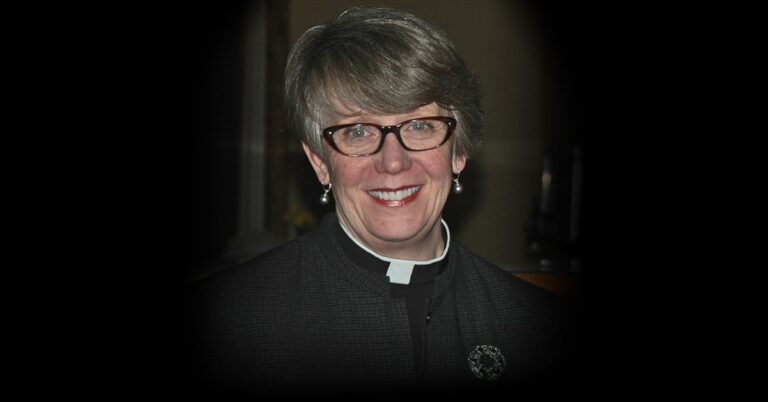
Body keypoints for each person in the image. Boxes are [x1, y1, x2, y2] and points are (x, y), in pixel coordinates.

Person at [184, 6, 581, 396]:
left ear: (459, 151)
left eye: (421, 125)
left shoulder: (538, 329)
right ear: (320, 162)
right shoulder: (228, 325)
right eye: (358, 131)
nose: (393, 162)